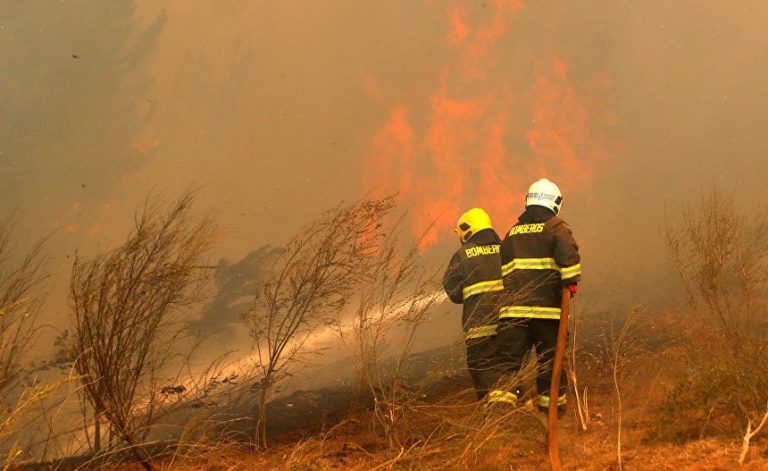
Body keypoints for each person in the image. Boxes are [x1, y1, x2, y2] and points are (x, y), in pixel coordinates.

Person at [498, 178, 581, 414]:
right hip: (548, 315)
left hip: (512, 316)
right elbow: (570, 263)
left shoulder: (512, 233)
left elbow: (502, 271)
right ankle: (553, 414)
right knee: (550, 364)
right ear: (555, 203)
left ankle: (506, 417)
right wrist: (570, 285)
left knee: (510, 366)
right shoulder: (556, 229)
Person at [442, 208, 513, 405]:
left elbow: (453, 293)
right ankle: (518, 407)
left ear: (467, 230)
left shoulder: (463, 255)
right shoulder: (506, 248)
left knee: (484, 368)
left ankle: (495, 414)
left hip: (479, 326)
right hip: (510, 322)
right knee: (509, 364)